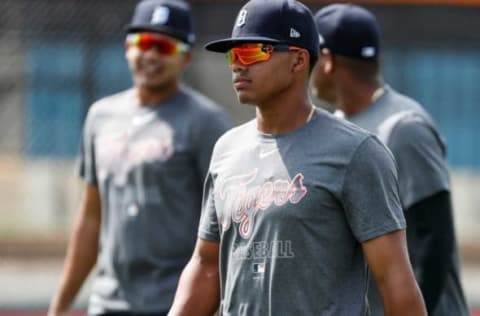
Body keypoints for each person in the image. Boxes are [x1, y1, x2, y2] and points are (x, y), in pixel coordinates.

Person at [167, 0, 427, 315]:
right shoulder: (226, 150)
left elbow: (393, 279)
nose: (238, 64)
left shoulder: (356, 152)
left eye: (252, 52)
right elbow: (206, 264)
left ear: (298, 60)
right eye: (234, 54)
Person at [47, 0, 233, 315]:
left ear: (186, 56)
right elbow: (92, 216)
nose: (151, 55)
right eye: (143, 43)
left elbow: (227, 224)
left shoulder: (206, 122)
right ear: (126, 48)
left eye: (163, 45)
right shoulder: (101, 116)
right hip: (107, 302)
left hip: (175, 303)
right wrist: (60, 303)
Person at [311, 4, 470, 316]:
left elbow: (432, 242)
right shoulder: (337, 127)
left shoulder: (403, 127)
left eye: (312, 57)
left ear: (327, 61)